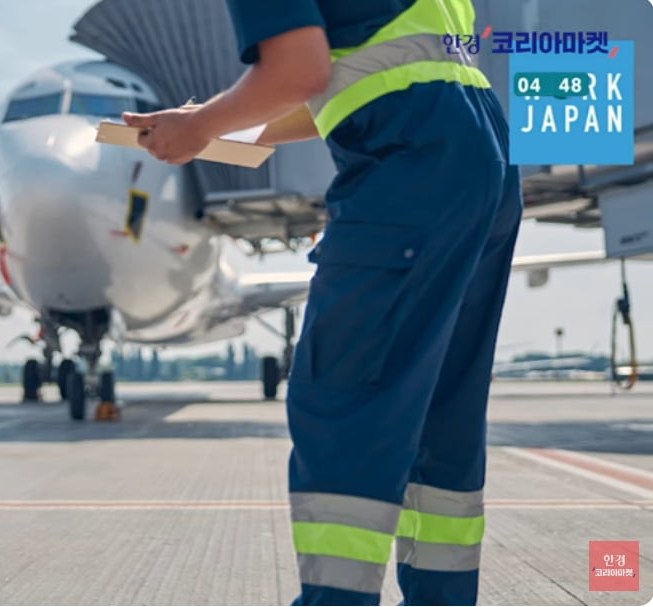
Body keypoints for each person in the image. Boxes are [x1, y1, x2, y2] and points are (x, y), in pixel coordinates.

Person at [122, 1, 521, 604]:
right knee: (441, 411)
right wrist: (208, 122)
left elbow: (297, 73)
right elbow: (354, 74)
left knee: (344, 397)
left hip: (405, 157)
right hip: (478, 149)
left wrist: (202, 127)